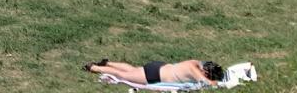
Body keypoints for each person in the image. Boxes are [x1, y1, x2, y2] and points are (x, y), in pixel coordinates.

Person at [85, 59, 223, 86]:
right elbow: (208, 83)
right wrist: (215, 82)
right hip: (154, 75)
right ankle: (94, 68)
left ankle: (107, 62)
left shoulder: (193, 63)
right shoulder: (194, 71)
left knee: (132, 70)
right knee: (123, 75)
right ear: (204, 71)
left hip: (159, 67)